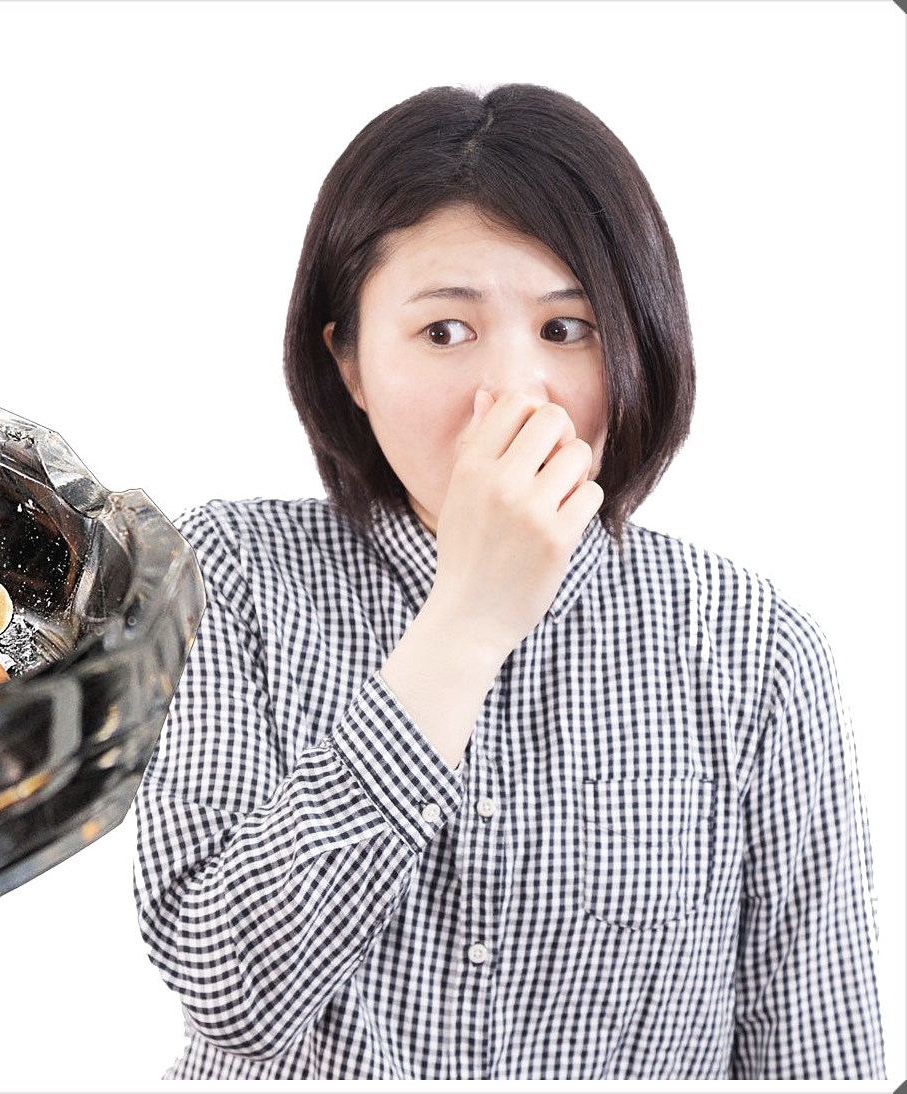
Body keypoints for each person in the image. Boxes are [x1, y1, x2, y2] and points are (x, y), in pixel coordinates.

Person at [131, 83, 886, 1080]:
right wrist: (465, 621)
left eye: (566, 329)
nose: (515, 391)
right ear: (348, 363)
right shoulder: (226, 572)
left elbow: (819, 1058)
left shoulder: (754, 646)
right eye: (445, 330)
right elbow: (229, 989)